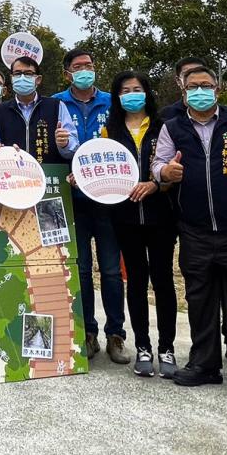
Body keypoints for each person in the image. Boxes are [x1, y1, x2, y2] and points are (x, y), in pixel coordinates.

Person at [152, 65, 227, 404]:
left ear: (217, 90)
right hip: (195, 231)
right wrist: (166, 171)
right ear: (183, 92)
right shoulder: (173, 128)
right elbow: (157, 166)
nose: (200, 91)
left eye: (206, 85)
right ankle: (205, 364)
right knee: (200, 301)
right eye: (193, 86)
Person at [52, 48, 128, 363]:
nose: (85, 70)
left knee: (111, 271)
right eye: (78, 66)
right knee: (81, 270)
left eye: (90, 65)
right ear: (68, 73)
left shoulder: (112, 102)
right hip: (74, 202)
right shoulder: (56, 103)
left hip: (108, 201)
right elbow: (57, 149)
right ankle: (87, 332)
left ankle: (116, 335)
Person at [103, 70, 178, 379]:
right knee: (135, 281)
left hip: (162, 216)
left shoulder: (165, 127)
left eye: (137, 88)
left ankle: (167, 348)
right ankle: (143, 347)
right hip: (125, 217)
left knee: (163, 280)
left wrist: (155, 185)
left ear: (147, 92)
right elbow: (102, 171)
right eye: (125, 90)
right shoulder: (109, 130)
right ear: (117, 96)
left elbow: (175, 171)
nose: (132, 94)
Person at [0, 56, 78, 163]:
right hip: (14, 175)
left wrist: (65, 143)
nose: (22, 77)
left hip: (50, 174)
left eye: (28, 73)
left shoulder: (56, 106)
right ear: (12, 78)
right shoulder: (0, 111)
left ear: (38, 79)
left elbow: (73, 148)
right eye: (17, 74)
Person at [159, 56, 208, 122]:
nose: (194, 78)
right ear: (178, 81)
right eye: (187, 74)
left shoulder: (223, 113)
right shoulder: (166, 115)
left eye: (198, 73)